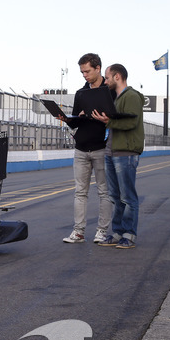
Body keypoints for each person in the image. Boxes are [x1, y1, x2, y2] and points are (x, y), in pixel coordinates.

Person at [61, 53, 113, 244]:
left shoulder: (110, 92)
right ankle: (79, 232)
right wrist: (69, 119)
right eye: (82, 72)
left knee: (104, 192)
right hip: (81, 148)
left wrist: (107, 120)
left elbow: (116, 120)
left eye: (87, 71)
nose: (84, 75)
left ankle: (102, 231)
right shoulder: (81, 93)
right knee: (80, 192)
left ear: (98, 68)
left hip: (101, 148)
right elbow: (75, 124)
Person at [92, 63, 144, 249]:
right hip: (111, 151)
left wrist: (109, 121)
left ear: (117, 77)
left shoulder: (131, 96)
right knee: (115, 195)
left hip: (126, 153)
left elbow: (131, 123)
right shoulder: (116, 98)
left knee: (128, 197)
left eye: (107, 77)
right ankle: (118, 232)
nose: (105, 81)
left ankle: (129, 234)